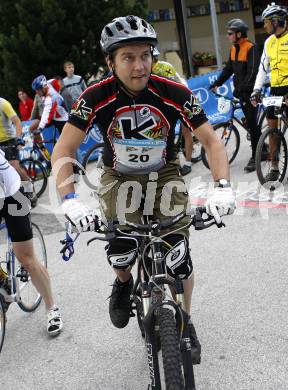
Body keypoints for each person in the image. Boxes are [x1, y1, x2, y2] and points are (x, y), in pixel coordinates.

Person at [52, 15, 236, 364]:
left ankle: (184, 320)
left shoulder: (173, 91)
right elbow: (64, 150)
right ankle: (123, 282)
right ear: (110, 62)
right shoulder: (95, 97)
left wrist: (222, 187)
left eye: (145, 56)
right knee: (121, 246)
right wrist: (70, 201)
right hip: (118, 176)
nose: (139, 66)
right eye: (128, 58)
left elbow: (212, 142)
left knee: (178, 255)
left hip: (163, 173)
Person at [0, 148, 63, 336]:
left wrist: (28, 189)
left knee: (26, 259)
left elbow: (13, 168)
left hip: (12, 195)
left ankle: (51, 307)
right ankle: (3, 282)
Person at [209, 18, 262, 173]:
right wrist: (217, 83)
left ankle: (255, 157)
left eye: (230, 33)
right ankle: (261, 146)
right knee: (250, 122)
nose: (228, 36)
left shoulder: (251, 47)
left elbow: (253, 72)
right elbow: (228, 69)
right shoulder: (234, 49)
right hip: (240, 92)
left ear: (239, 34)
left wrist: (241, 88)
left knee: (253, 125)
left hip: (251, 93)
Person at [251, 3, 288, 182]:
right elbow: (262, 69)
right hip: (275, 89)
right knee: (272, 130)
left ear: (276, 21)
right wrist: (256, 90)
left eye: (266, 22)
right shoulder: (269, 42)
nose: (264, 26)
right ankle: (274, 167)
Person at [152, 47, 194, 176]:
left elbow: (173, 88)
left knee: (186, 131)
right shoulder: (144, 71)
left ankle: (187, 163)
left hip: (181, 98)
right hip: (167, 103)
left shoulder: (163, 67)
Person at [0, 97, 37, 206]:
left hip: (9, 140)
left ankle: (30, 190)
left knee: (14, 166)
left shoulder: (3, 103)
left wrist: (18, 139)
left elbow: (17, 122)